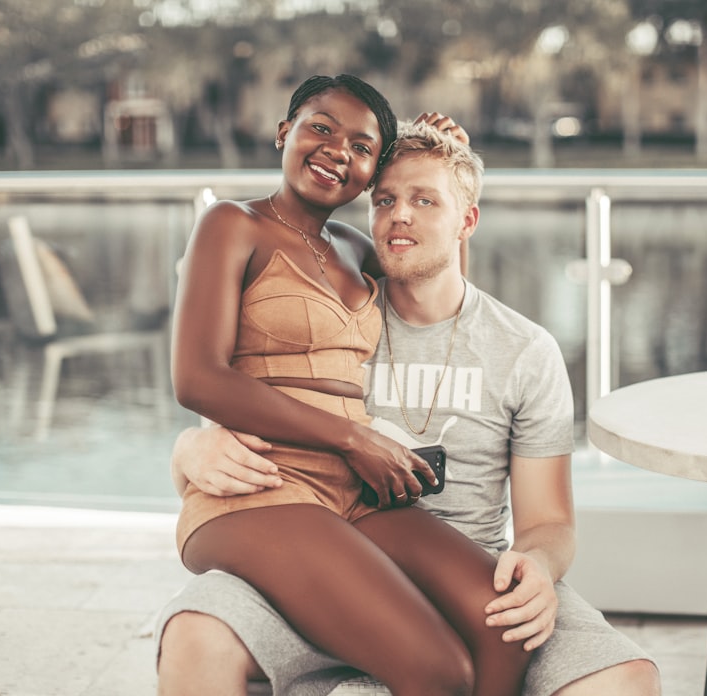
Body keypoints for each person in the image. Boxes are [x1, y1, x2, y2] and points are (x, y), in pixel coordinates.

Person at [157, 118, 662, 695]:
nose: (401, 215)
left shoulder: (524, 350)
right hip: (313, 541)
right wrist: (188, 447)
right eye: (387, 200)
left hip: (467, 560)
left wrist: (538, 568)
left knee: (625, 680)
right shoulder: (331, 322)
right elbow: (228, 398)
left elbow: (549, 522)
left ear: (466, 221)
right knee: (196, 633)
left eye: (426, 201)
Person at [168, 74, 535, 696]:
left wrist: (445, 165)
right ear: (284, 133)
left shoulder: (355, 247)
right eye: (321, 128)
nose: (339, 150)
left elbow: (435, 281)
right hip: (262, 490)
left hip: (357, 497)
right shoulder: (232, 225)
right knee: (437, 668)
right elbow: (197, 378)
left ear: (370, 174)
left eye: (363, 147)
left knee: (502, 623)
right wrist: (350, 439)